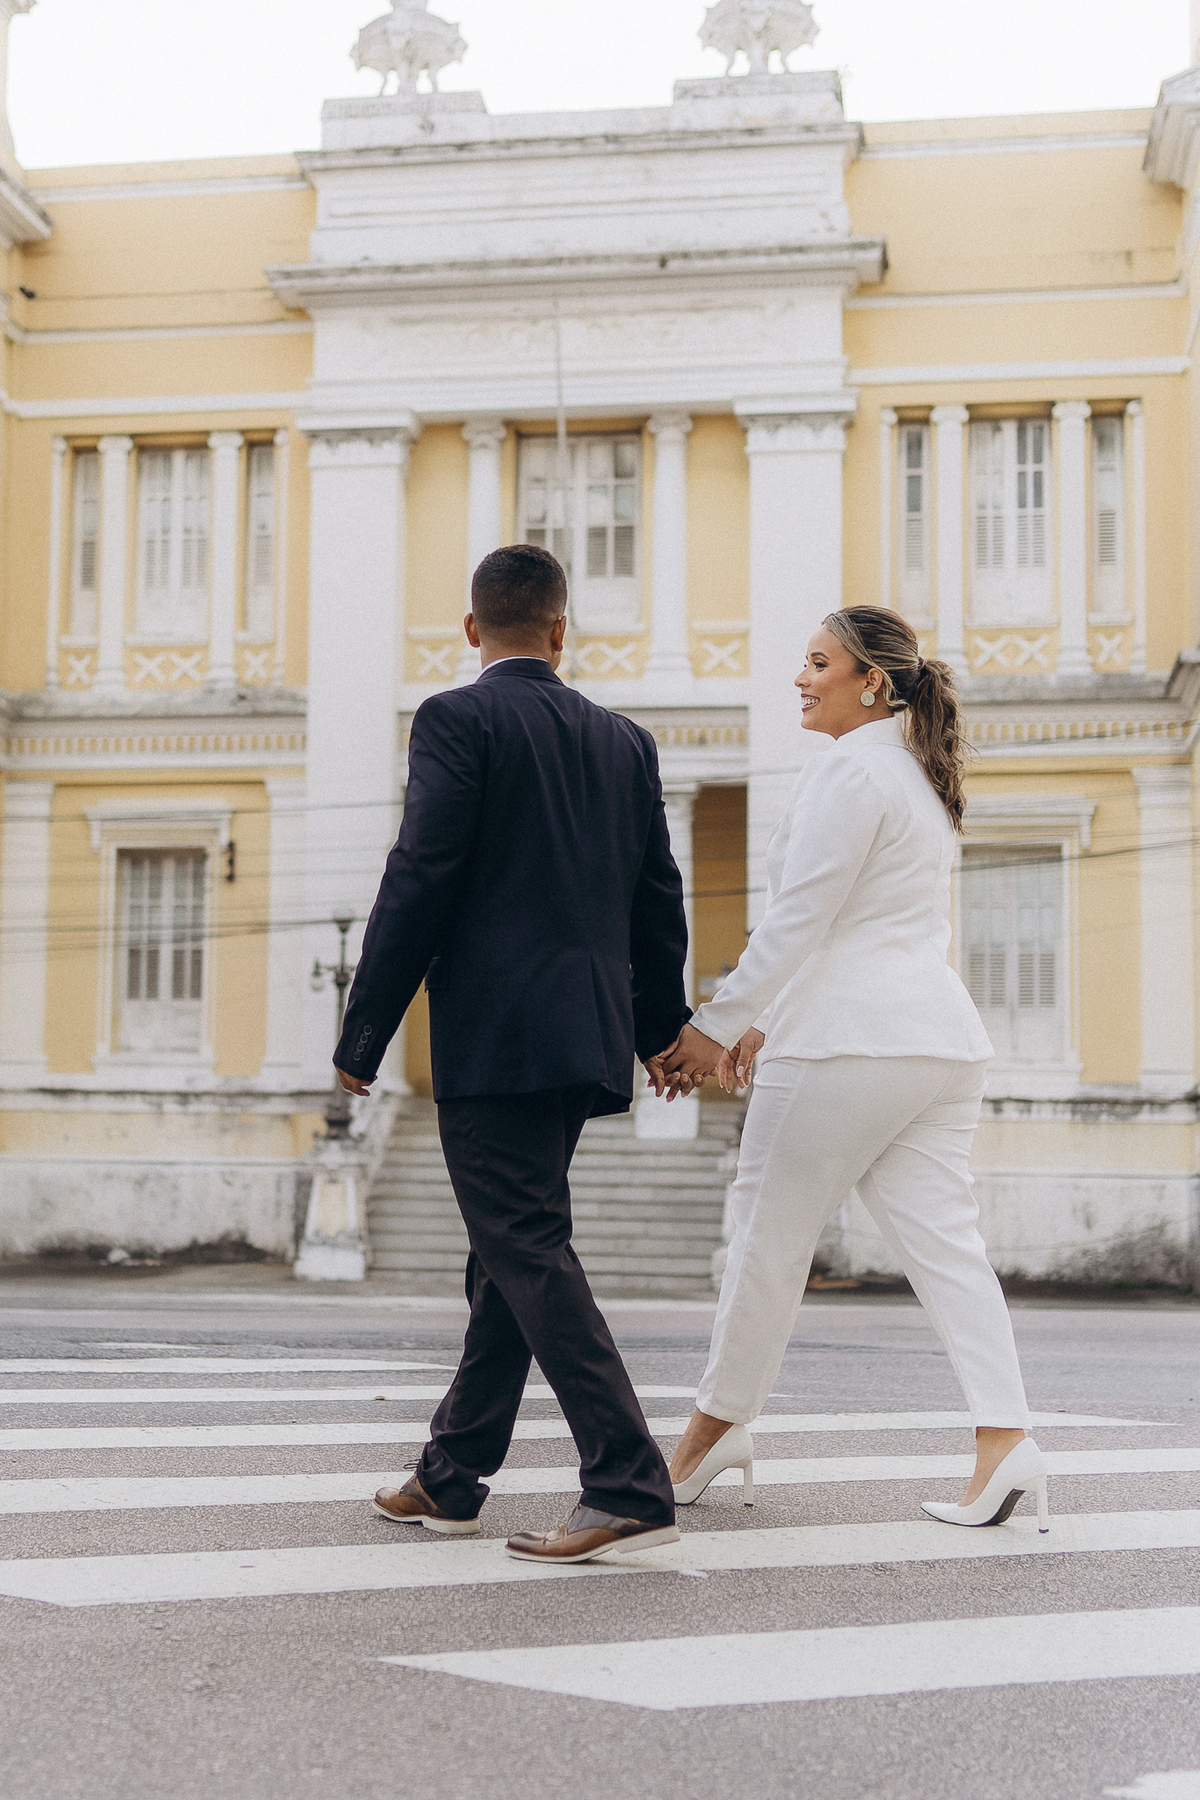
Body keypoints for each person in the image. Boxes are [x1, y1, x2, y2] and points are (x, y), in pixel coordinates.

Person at [652, 605, 1049, 1534]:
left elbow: (803, 919)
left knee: (763, 1236)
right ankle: (1005, 1440)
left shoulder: (847, 770)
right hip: (936, 1046)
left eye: (818, 662)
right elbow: (854, 927)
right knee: (950, 1251)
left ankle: (711, 1434)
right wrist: (760, 1024)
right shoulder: (917, 777)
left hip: (847, 1045)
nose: (801, 677)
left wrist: (716, 1026)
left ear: (870, 681)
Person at [334, 543, 688, 1564]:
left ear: (471, 630)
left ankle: (626, 1478)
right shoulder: (624, 742)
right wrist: (659, 1027)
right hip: (583, 1036)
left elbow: (420, 876)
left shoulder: (457, 716)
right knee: (507, 1251)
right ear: (563, 631)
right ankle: (451, 1478)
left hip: (495, 1037)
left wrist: (366, 1032)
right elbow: (657, 899)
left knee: (522, 1243)